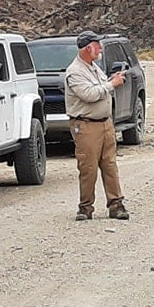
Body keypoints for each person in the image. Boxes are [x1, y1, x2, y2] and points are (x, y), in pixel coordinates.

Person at [65, 30, 128, 222]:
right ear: (88, 47)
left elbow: (99, 89)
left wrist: (111, 80)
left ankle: (116, 204)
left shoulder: (94, 68)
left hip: (105, 124)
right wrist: (112, 85)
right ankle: (85, 207)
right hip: (86, 126)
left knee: (110, 165)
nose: (100, 48)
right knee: (88, 167)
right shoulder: (75, 71)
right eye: (97, 45)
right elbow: (89, 95)